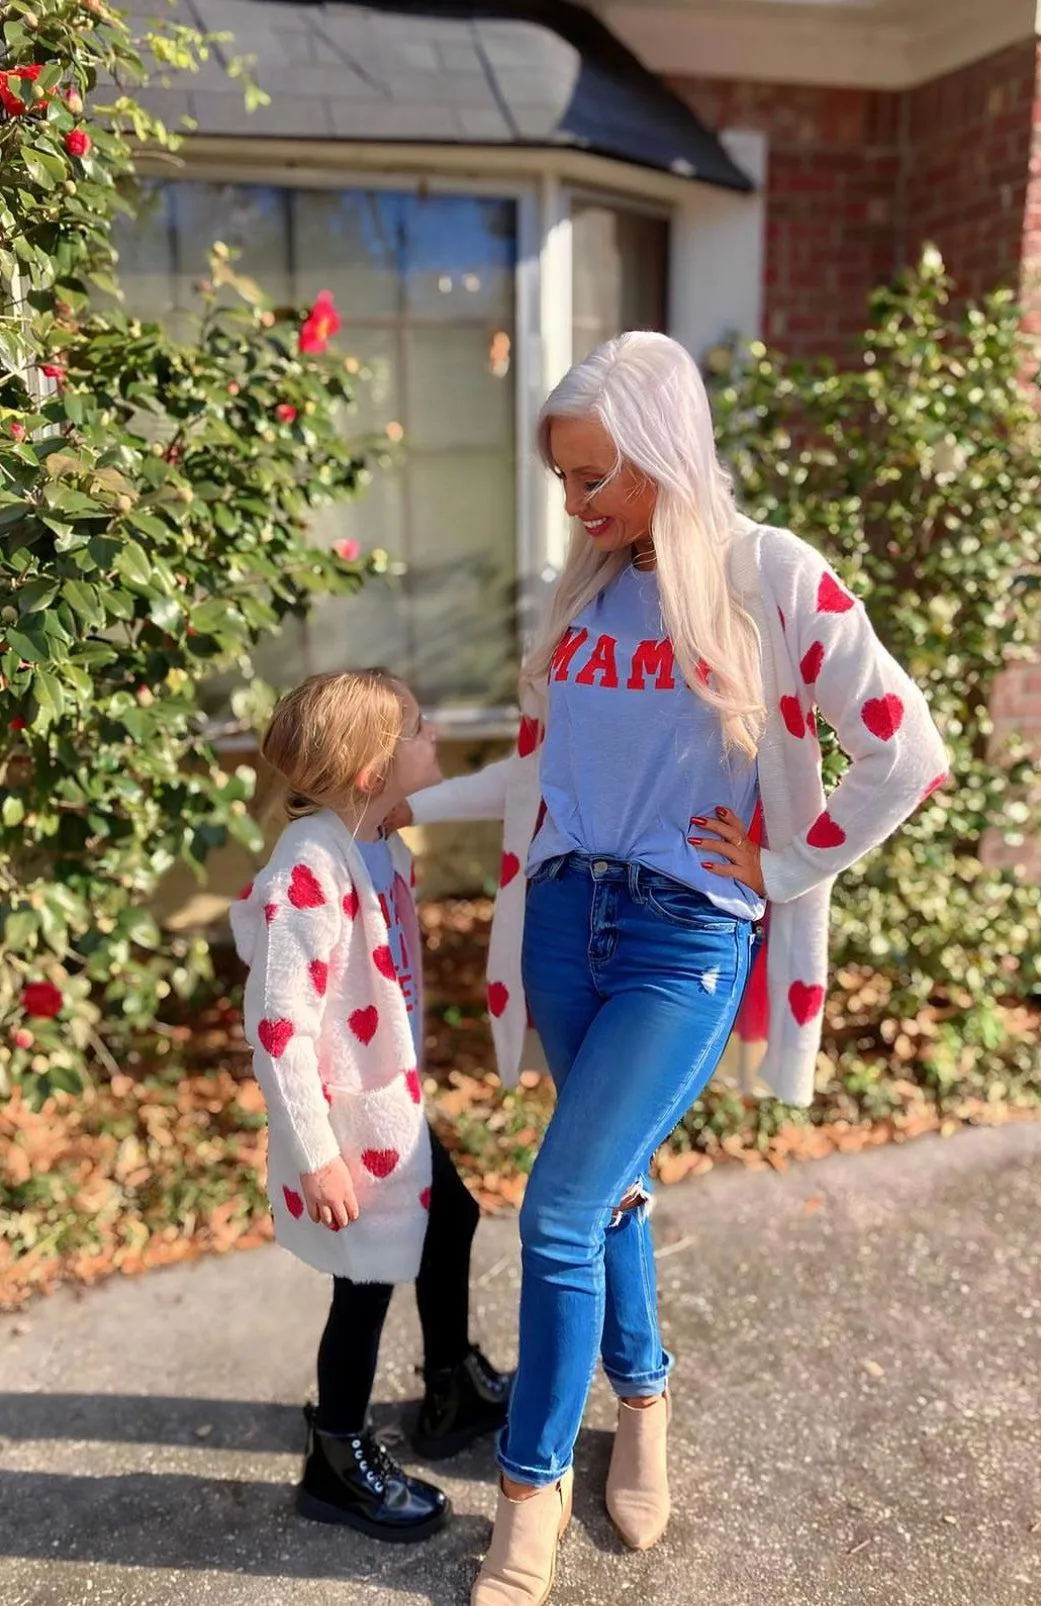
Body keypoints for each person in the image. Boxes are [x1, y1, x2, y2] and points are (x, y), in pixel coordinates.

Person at [391, 332, 949, 1603]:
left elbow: (907, 751)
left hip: (683, 934)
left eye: (596, 478)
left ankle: (526, 1493)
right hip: (567, 925)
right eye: (565, 481)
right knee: (610, 1188)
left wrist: (785, 859)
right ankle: (644, 1404)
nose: (577, 505)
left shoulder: (771, 575)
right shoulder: (581, 589)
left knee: (558, 1210)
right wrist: (406, 806)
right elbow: (549, 772)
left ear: (664, 450)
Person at [229, 669, 511, 1546]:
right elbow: (279, 1030)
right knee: (363, 1284)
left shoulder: (376, 840)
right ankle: (336, 1454)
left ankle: (449, 1381)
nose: (436, 739)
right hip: (346, 1125)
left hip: (386, 1108)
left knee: (451, 1216)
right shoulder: (309, 872)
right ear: (368, 771)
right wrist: (315, 1154)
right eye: (420, 731)